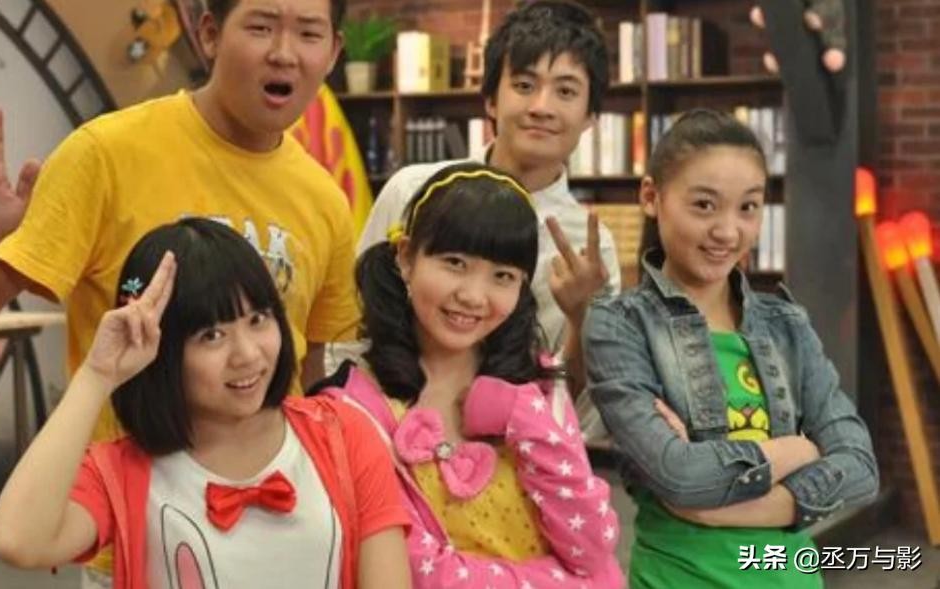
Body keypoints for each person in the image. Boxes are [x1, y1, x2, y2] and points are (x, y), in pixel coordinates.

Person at [0, 0, 357, 437]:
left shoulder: (325, 200)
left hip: (268, 475)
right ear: (209, 35)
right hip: (125, 475)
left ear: (333, 52)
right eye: (261, 28)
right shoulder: (104, 154)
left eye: (309, 34)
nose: (284, 54)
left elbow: (313, 368)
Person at [0, 218, 412, 589]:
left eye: (258, 319)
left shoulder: (343, 434)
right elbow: (17, 540)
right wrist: (97, 376)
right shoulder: (121, 471)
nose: (247, 354)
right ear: (163, 349)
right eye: (212, 335)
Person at [583, 109, 879, 588]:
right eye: (704, 205)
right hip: (678, 579)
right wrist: (800, 449)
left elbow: (860, 467)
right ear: (651, 197)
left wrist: (716, 508)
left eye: (748, 208)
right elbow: (679, 477)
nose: (728, 231)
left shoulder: (787, 325)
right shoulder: (621, 326)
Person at [317, 163, 625, 588]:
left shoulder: (538, 389)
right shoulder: (355, 409)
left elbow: (592, 549)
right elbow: (416, 574)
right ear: (405, 257)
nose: (474, 296)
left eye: (502, 276)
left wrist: (522, 415)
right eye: (455, 263)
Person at [355, 0, 620, 437]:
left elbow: (573, 403)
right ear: (490, 100)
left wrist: (581, 315)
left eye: (566, 91)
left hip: (511, 450)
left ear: (591, 116)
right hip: (386, 433)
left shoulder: (589, 246)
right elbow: (357, 328)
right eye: (524, 85)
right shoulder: (413, 190)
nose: (542, 106)